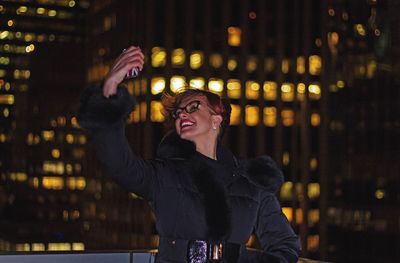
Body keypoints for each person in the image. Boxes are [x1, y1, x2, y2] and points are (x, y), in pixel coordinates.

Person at [78, 46, 300, 263]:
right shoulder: (165, 174)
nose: (182, 114)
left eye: (193, 107)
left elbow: (285, 244)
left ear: (217, 119)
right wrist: (110, 88)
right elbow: (120, 164)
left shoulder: (251, 182)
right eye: (178, 112)